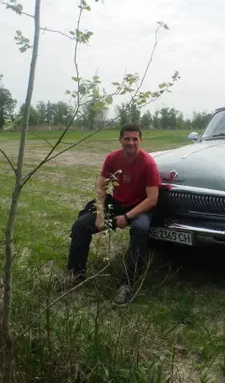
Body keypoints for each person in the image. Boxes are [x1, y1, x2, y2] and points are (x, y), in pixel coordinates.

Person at [61, 122, 162, 305]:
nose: (130, 142)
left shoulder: (148, 163)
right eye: (126, 139)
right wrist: (100, 215)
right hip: (117, 204)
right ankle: (76, 275)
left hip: (140, 207)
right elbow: (101, 187)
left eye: (134, 139)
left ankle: (128, 284)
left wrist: (128, 217)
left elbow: (152, 199)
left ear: (141, 140)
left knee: (140, 229)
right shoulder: (112, 158)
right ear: (120, 140)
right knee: (81, 225)